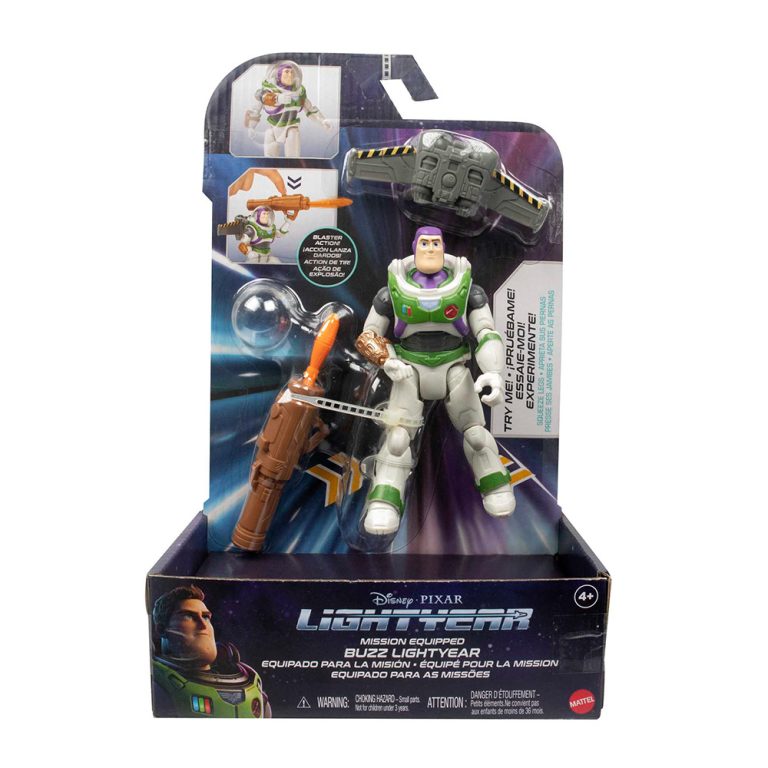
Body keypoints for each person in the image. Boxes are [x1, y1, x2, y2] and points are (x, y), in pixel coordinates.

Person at [356, 226, 516, 535]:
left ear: (443, 247)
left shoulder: (468, 289)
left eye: (436, 243)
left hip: (454, 366)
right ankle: (385, 498)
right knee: (397, 439)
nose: (430, 249)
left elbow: (486, 331)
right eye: (425, 243)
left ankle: (495, 482)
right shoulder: (391, 290)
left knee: (476, 434)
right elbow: (369, 335)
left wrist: (494, 372)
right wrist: (387, 360)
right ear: (415, 247)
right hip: (408, 370)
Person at [151, 585, 271, 718]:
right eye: (188, 616)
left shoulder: (252, 687)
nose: (203, 624)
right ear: (162, 629)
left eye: (206, 617)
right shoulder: (159, 687)